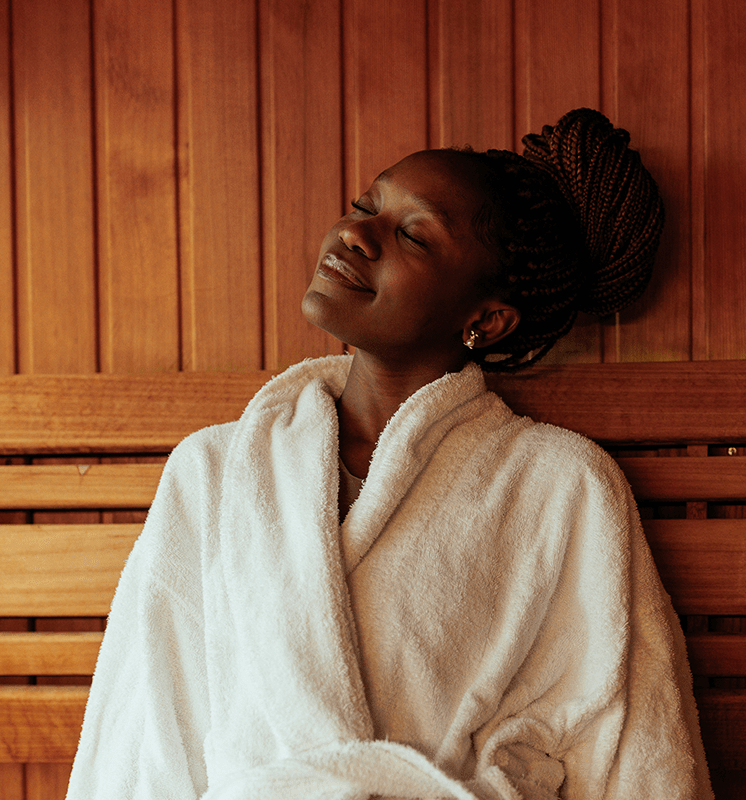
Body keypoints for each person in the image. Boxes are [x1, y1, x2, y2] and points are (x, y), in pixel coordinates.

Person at [66, 109, 712, 800]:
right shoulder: (216, 472)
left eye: (411, 234)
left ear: (486, 320)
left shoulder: (562, 484)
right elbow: (144, 729)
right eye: (363, 207)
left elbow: (629, 738)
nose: (354, 233)